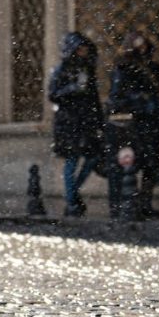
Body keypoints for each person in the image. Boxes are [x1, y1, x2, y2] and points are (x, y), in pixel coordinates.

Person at [106, 32, 159, 220]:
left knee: (151, 166)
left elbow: (157, 94)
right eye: (138, 47)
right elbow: (118, 97)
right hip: (134, 124)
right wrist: (139, 101)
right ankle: (126, 203)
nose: (142, 51)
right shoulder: (123, 68)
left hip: (152, 122)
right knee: (130, 164)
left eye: (144, 47)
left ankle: (144, 203)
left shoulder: (152, 68)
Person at [48, 32, 103, 217]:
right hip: (68, 122)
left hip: (86, 122)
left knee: (93, 157)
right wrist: (72, 90)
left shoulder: (88, 71)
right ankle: (72, 201)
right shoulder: (61, 70)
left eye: (85, 49)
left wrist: (98, 121)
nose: (83, 53)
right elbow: (53, 94)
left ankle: (72, 192)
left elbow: (94, 98)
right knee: (71, 160)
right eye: (80, 49)